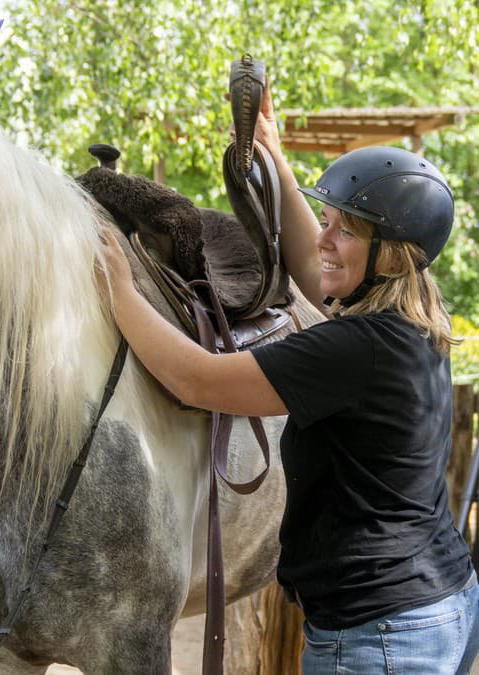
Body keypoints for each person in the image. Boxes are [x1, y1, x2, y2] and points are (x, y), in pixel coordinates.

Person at [96, 81, 479, 674]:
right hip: (437, 603)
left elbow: (196, 380)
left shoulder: (354, 348)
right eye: (327, 220)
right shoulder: (417, 318)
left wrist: (119, 291)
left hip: (378, 635)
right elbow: (314, 267)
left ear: (391, 254)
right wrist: (273, 156)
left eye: (345, 229)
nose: (326, 239)